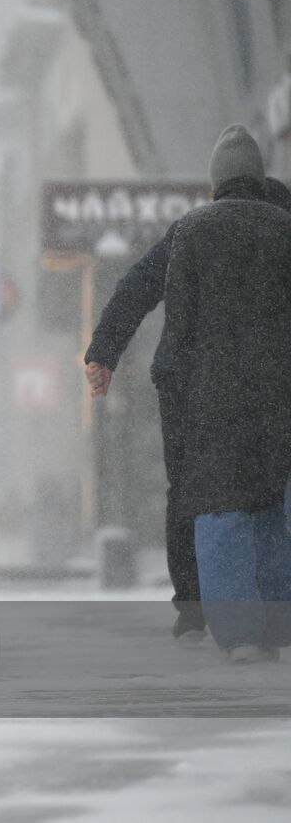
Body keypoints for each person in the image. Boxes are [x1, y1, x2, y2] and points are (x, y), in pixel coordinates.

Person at [86, 171, 291, 647]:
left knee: (195, 489)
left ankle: (199, 608)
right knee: (269, 498)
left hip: (194, 383)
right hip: (266, 385)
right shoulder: (281, 226)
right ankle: (266, 616)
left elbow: (137, 285)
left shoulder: (193, 228)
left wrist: (104, 351)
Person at [162, 124, 291, 663]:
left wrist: (175, 394)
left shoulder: (192, 232)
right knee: (270, 510)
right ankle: (274, 627)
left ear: (215, 183)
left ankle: (237, 631)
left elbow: (180, 329)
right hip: (277, 395)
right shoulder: (285, 228)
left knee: (220, 513)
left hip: (214, 397)